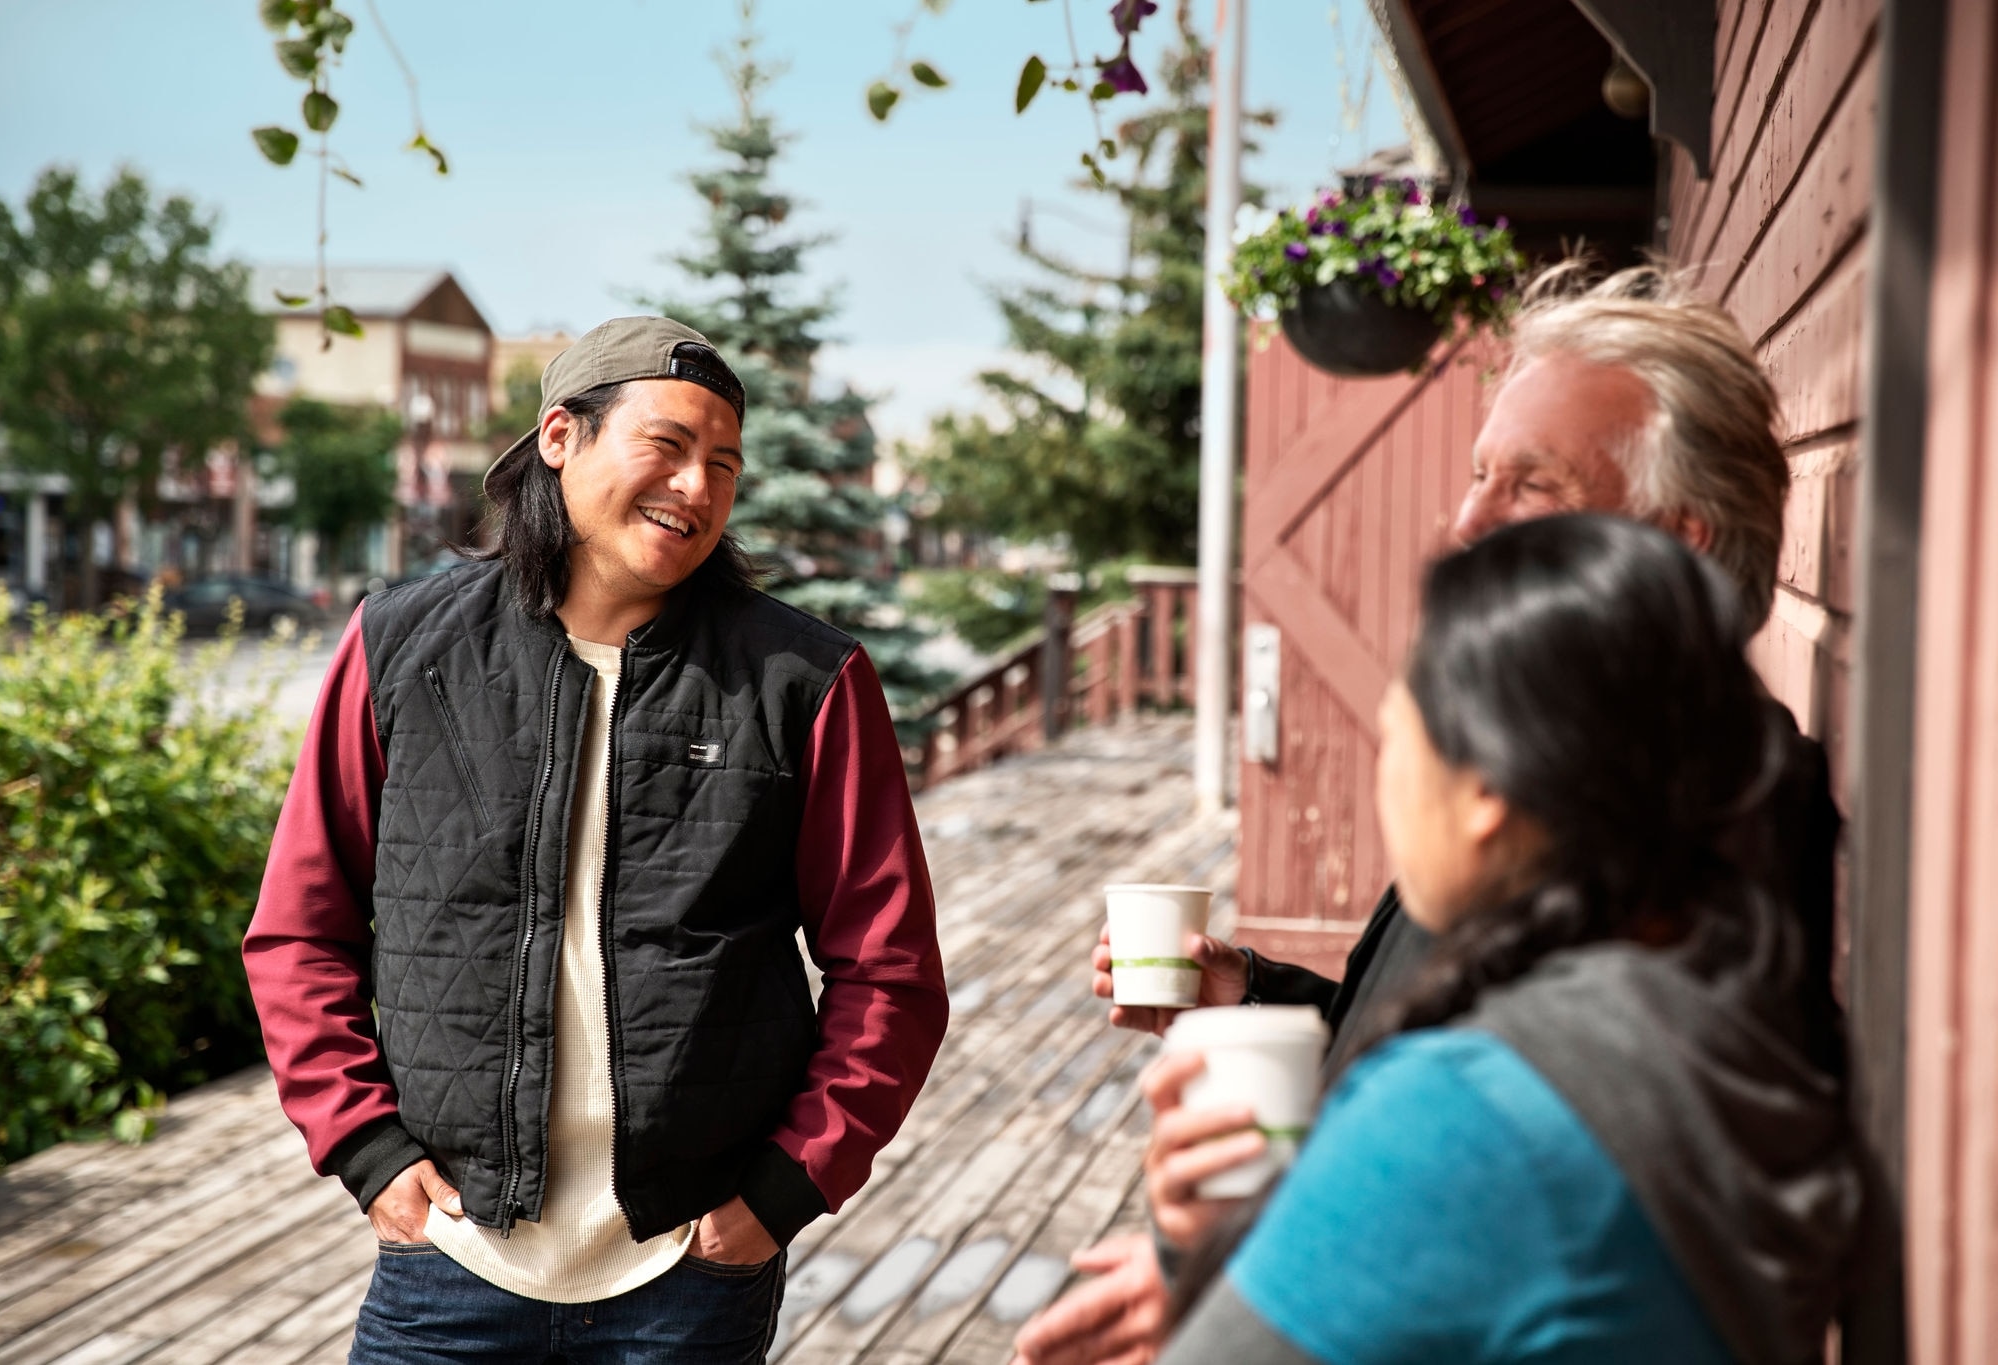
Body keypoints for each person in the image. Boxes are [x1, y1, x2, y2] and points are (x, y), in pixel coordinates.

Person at [1018, 262, 1842, 1364]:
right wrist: (1251, 998)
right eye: (1476, 474)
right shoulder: (1620, 793)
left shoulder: (1693, 827)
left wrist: (1229, 1270)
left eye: (1530, 484)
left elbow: (1488, 1136)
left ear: (1667, 547)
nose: (1466, 521)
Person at [244, 317, 950, 1363]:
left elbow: (890, 972)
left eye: (724, 465)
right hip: (451, 1258)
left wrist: (787, 1187)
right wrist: (364, 1146)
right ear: (560, 437)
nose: (696, 486)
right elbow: (300, 930)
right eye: (667, 445)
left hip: (687, 1276)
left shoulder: (803, 681)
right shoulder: (399, 648)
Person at [1157, 514, 1863, 1363]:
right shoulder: (1715, 1022)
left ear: (1486, 789)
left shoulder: (1468, 1116)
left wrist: (1211, 1251)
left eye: (1398, 731)